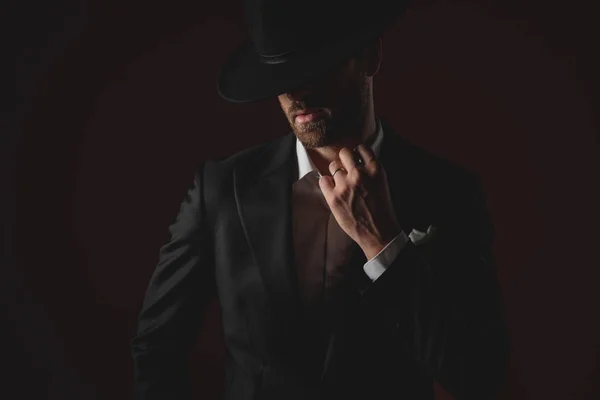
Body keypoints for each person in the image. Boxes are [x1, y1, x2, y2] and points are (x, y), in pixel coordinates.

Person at [130, 0, 509, 399]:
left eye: (315, 66)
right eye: (280, 74)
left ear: (370, 56)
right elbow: (156, 344)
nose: (296, 90)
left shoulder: (448, 193)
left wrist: (384, 245)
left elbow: (478, 375)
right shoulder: (223, 190)